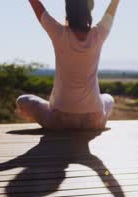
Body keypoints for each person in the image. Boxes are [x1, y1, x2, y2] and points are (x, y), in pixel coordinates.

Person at [17, 0, 120, 130]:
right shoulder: (98, 34)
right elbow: (109, 14)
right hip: (94, 120)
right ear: (88, 13)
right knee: (108, 98)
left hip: (60, 120)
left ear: (68, 12)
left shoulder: (58, 32)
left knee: (23, 100)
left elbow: (40, 10)